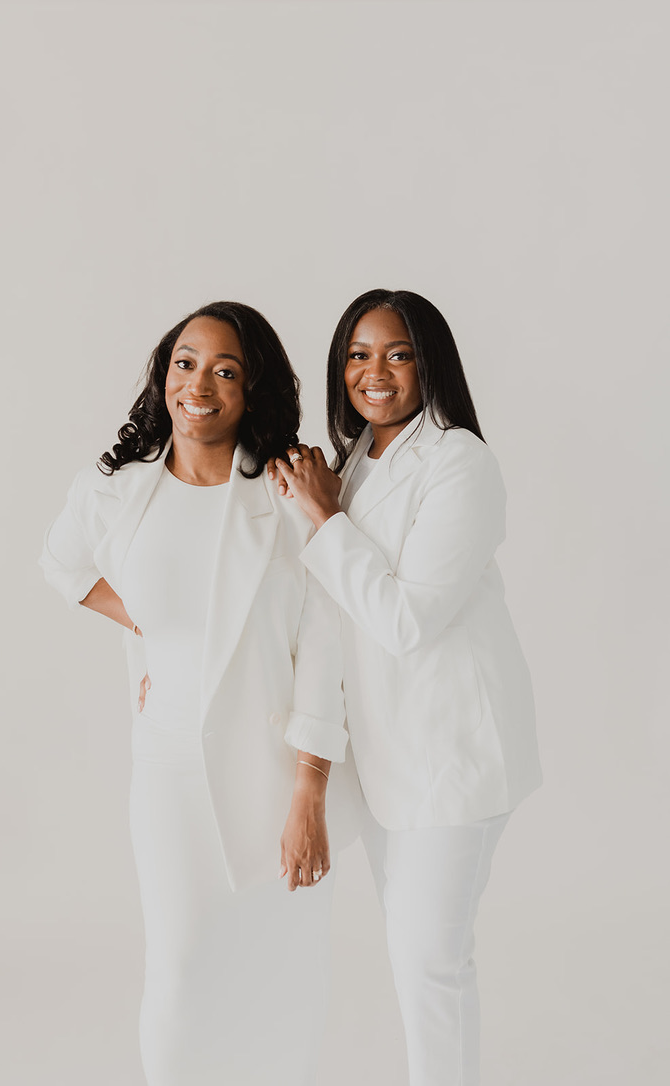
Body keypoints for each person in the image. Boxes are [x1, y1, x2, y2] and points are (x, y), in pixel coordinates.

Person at [40, 301, 360, 1086]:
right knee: (180, 972)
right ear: (163, 372)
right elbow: (64, 565)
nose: (200, 384)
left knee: (282, 977)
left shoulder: (289, 496)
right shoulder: (114, 489)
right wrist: (151, 630)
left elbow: (326, 643)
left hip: (279, 771)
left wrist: (309, 794)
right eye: (186, 363)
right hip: (168, 775)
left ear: (252, 390)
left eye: (226, 370)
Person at [272, 288, 542, 1086]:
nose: (375, 372)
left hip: (454, 751)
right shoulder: (357, 461)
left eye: (397, 354)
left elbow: (406, 619)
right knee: (413, 957)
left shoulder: (460, 462)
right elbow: (326, 614)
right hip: (391, 758)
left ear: (431, 364)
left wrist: (324, 522)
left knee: (431, 964)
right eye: (358, 354)